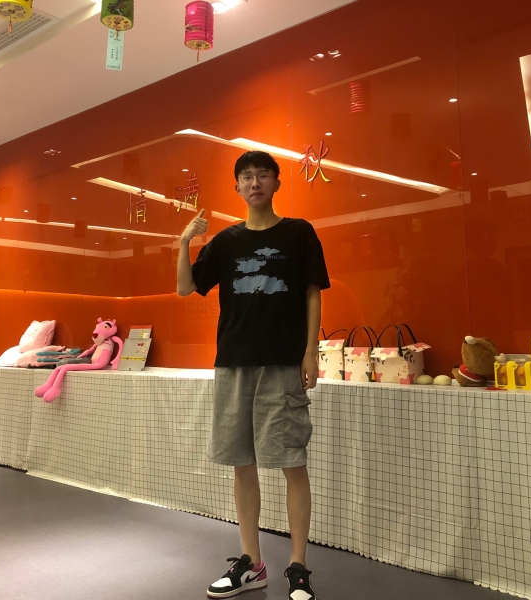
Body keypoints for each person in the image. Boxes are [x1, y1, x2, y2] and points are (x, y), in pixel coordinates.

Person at [176, 150, 330, 600]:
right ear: (237, 187)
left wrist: (310, 352)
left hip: (283, 364)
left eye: (263, 175)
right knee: (242, 464)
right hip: (233, 364)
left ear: (277, 183)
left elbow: (312, 293)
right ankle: (253, 563)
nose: (255, 182)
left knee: (292, 462)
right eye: (247, 177)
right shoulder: (226, 241)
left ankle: (298, 567)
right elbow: (186, 287)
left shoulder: (298, 232)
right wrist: (184, 242)